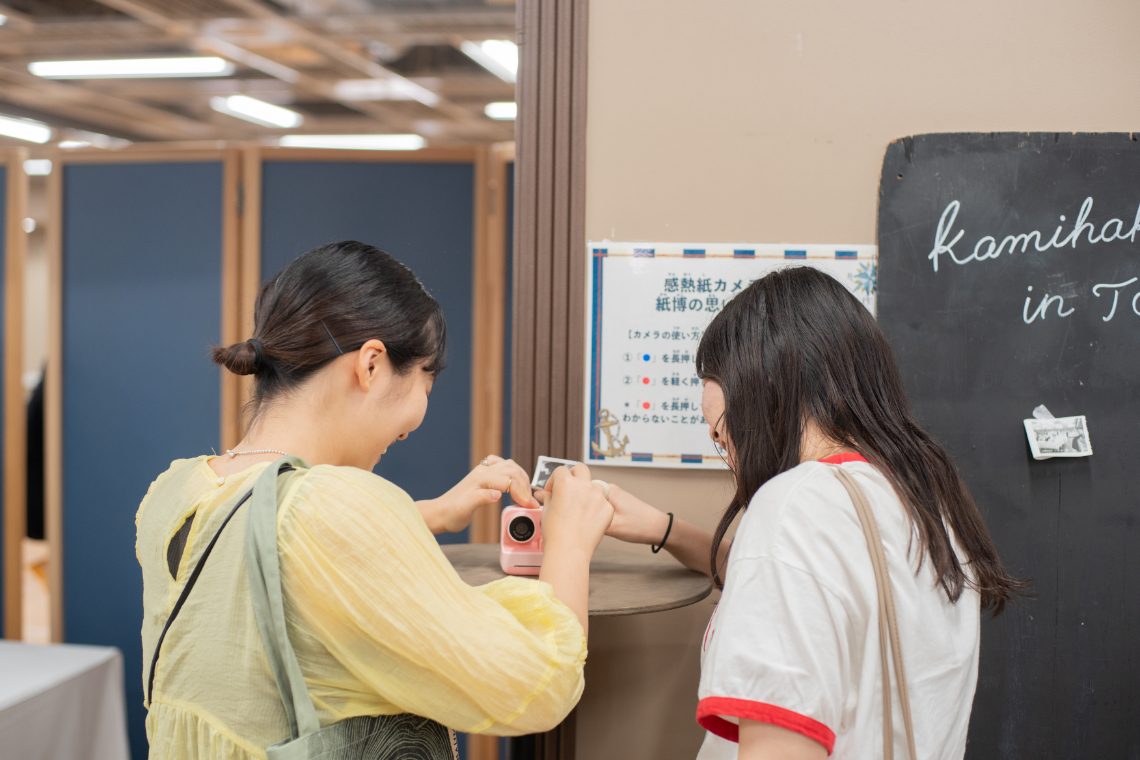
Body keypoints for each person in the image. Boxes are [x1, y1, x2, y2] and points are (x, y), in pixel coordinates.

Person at [136, 240, 613, 759]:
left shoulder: (175, 491)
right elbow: (535, 686)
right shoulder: (335, 507)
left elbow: (265, 563)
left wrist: (426, 514)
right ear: (370, 365)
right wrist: (569, 543)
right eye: (424, 386)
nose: (411, 428)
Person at [603, 267, 1025, 759]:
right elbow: (821, 583)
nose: (729, 454)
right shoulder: (925, 501)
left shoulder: (793, 507)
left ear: (764, 396)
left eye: (720, 434)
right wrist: (663, 528)